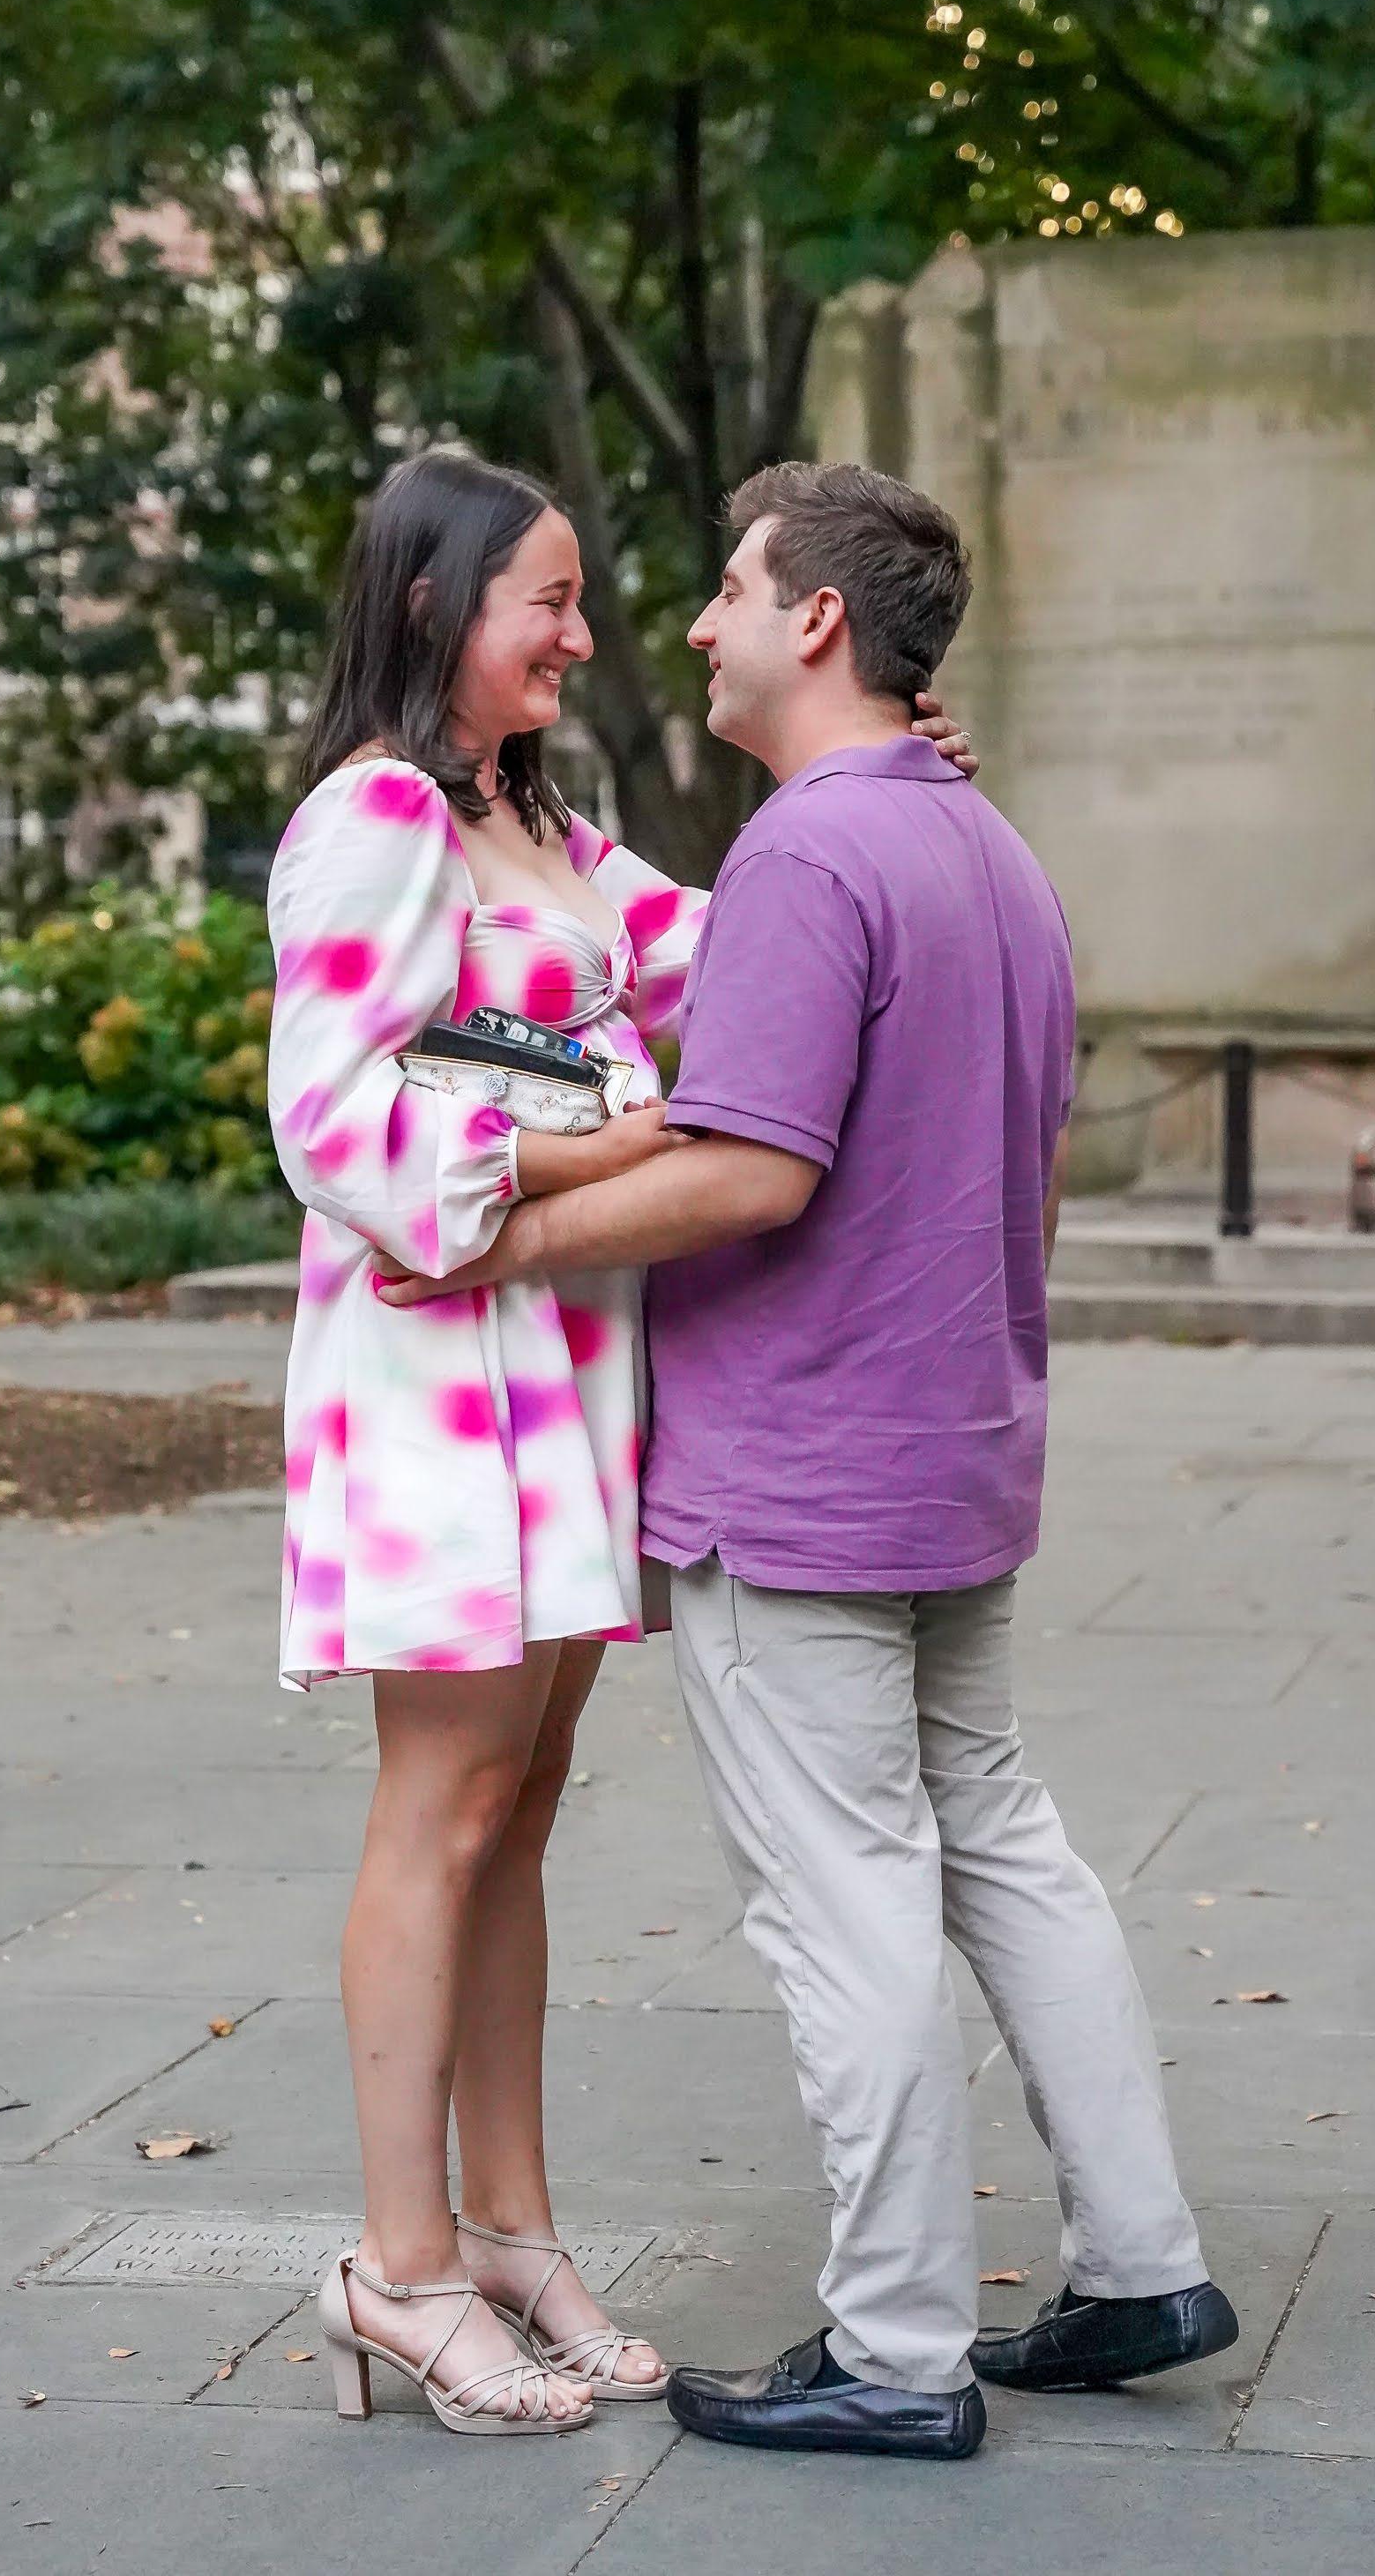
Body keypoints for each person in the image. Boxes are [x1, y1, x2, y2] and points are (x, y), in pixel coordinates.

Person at [378, 459, 1235, 2461]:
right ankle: (1141, 2265)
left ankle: (898, 2353)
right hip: (958, 1460)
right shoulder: (987, 848)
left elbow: (752, 1165)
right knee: (1004, 1851)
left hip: (804, 1483)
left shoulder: (814, 854)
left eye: (729, 589)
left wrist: (491, 1234)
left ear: (818, 622)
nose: (694, 624)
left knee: (845, 1903)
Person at [267, 447, 975, 2436]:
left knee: (524, 1803)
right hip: (435, 1377)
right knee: (444, 1806)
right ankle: (398, 2272)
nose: (584, 637)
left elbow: (740, 948)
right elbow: (334, 1124)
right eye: (547, 605)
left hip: (568, 1376)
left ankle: (510, 2231)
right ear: (435, 612)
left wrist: (887, 780)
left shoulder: (558, 832)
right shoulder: (374, 820)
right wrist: (599, 1142)